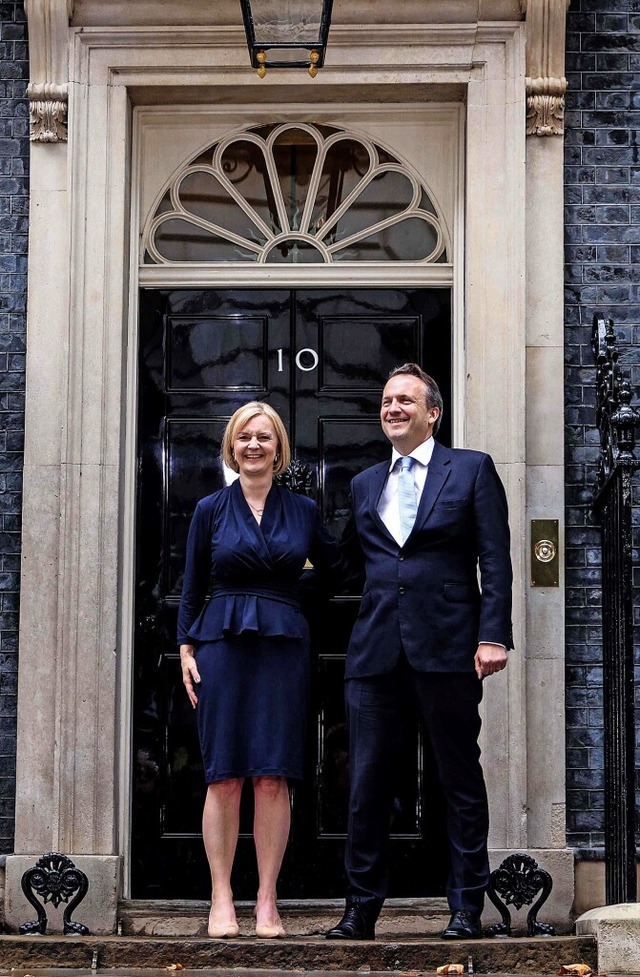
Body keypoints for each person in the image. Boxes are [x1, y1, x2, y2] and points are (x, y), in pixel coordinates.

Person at [326, 363, 513, 942]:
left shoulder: (472, 469)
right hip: (376, 652)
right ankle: (360, 910)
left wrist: (493, 634)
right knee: (367, 785)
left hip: (450, 648)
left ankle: (465, 908)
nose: (393, 408)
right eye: (386, 400)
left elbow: (495, 557)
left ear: (432, 412)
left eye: (406, 399)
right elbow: (345, 564)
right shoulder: (363, 485)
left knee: (458, 781)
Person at [178, 401, 342, 940]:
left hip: (282, 646)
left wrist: (293, 600)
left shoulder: (303, 511)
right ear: (232, 445)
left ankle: (267, 900)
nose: (253, 445)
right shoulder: (209, 510)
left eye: (264, 438)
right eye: (244, 437)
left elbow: (337, 567)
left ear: (279, 449)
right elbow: (192, 584)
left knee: (273, 776)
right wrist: (186, 646)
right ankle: (221, 895)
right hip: (221, 642)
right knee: (224, 775)